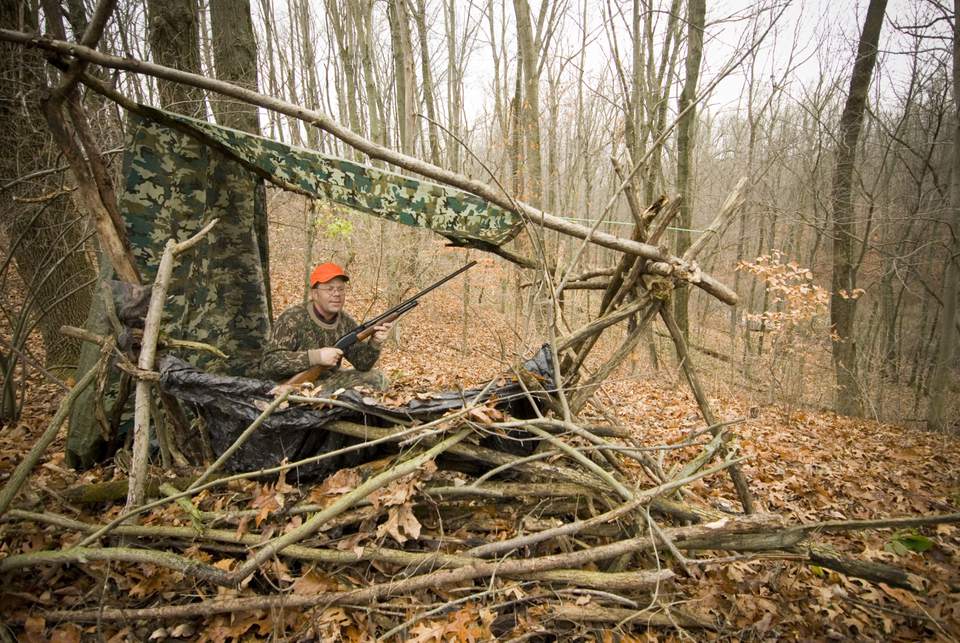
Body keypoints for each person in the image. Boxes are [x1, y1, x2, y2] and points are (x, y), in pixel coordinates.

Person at [260, 262, 392, 390]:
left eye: (341, 289)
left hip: (328, 382)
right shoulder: (292, 318)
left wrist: (375, 343)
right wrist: (316, 357)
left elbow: (362, 364)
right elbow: (269, 363)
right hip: (291, 386)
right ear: (315, 294)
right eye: (329, 289)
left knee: (377, 378)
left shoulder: (345, 322)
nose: (337, 294)